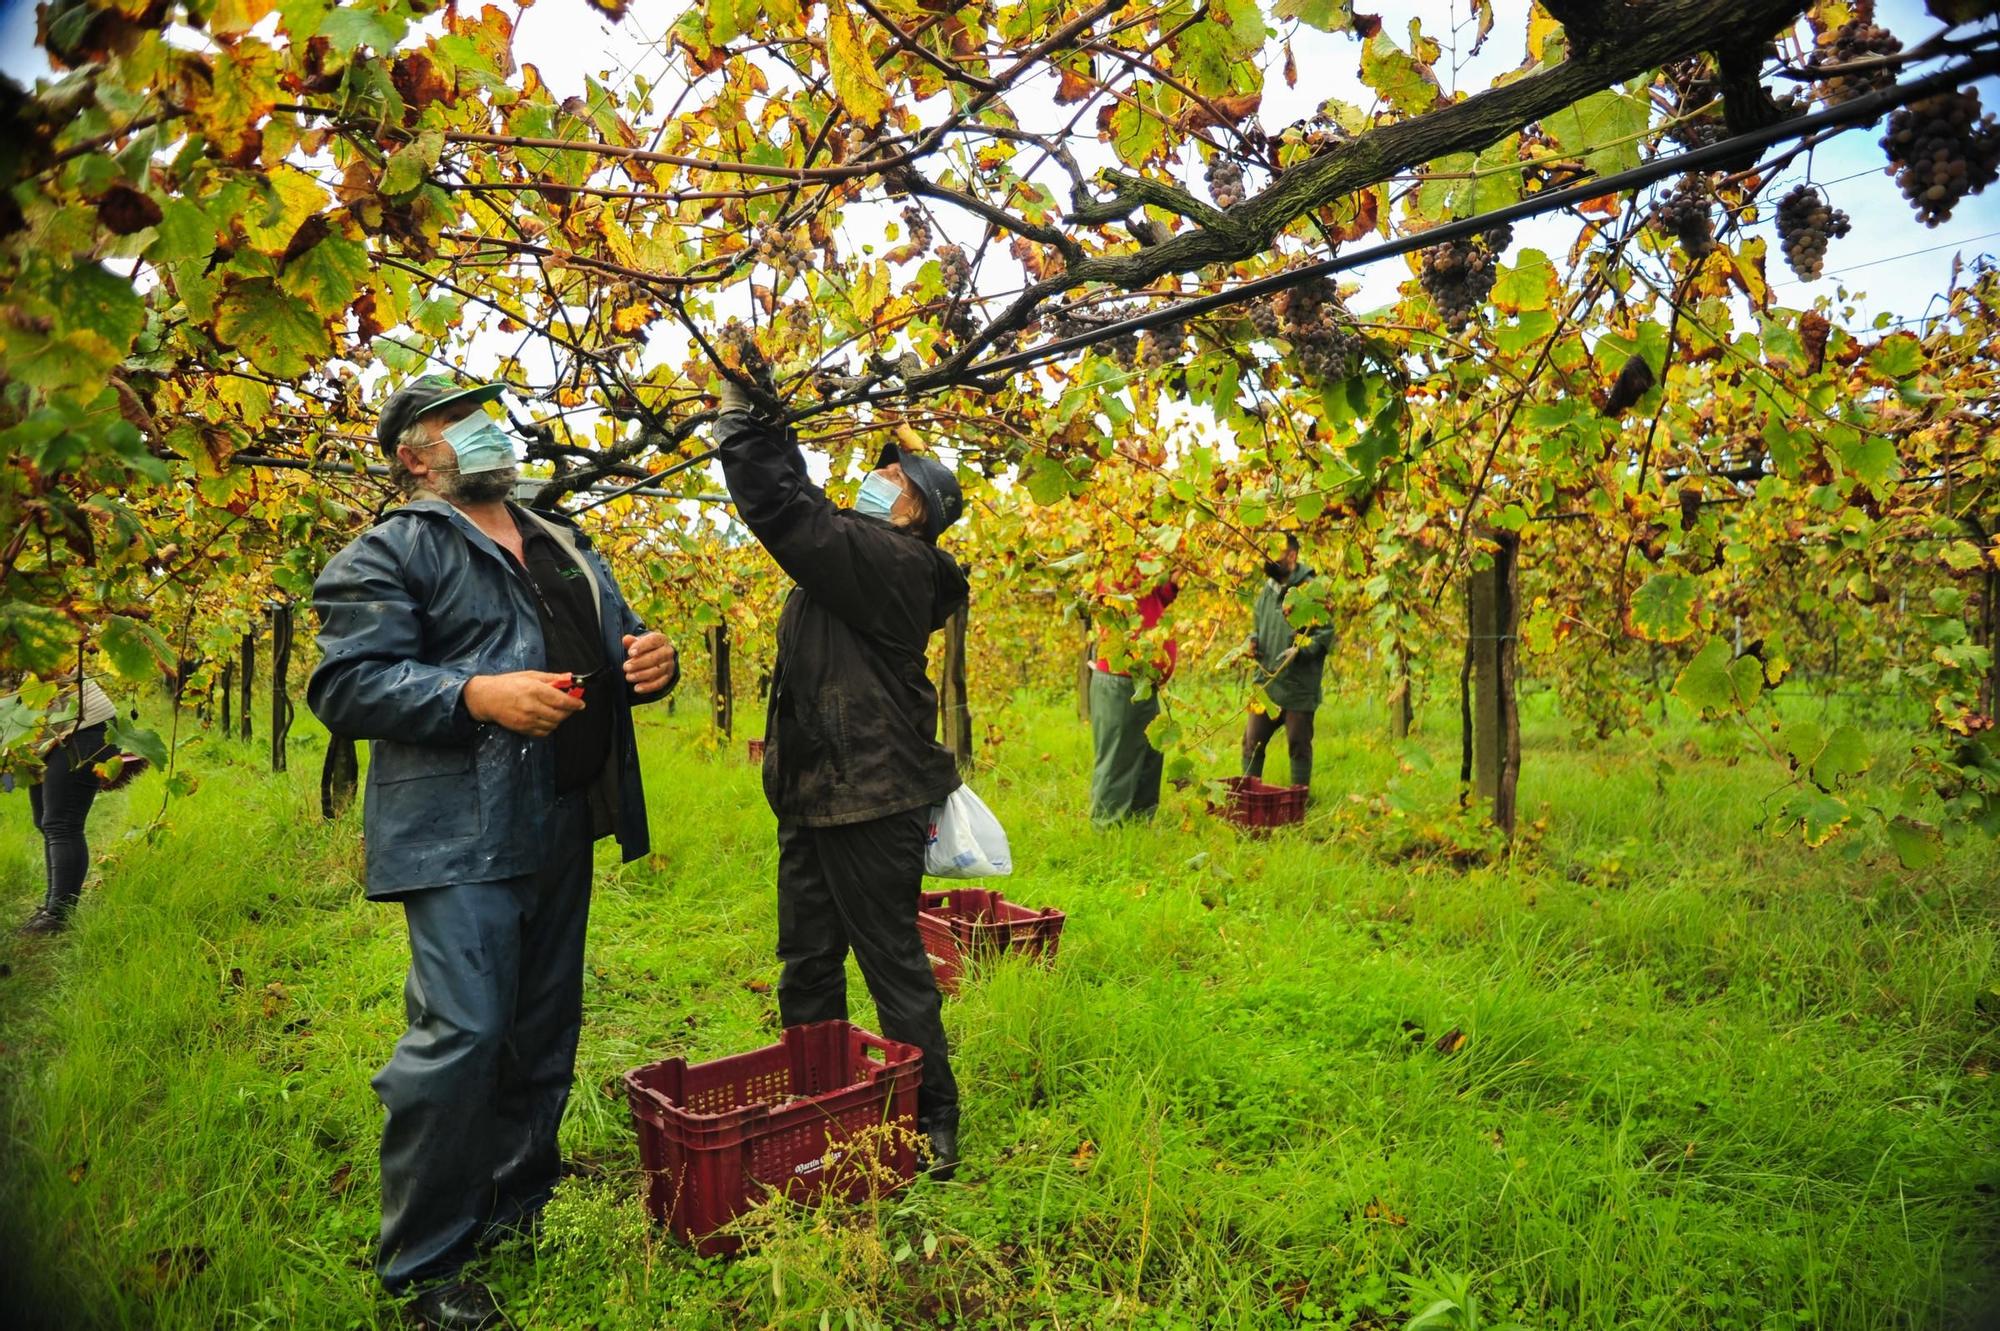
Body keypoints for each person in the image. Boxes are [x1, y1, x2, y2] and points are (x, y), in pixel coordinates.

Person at [307, 375, 679, 1330]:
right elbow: (347, 684)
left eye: (488, 417)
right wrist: (477, 695)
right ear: (414, 456)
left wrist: (649, 660)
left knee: (542, 1027)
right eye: (457, 422)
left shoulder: (561, 538)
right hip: (459, 831)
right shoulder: (393, 550)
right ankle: (425, 1266)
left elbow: (620, 642)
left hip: (561, 814)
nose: (485, 433)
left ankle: (515, 1211)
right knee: (464, 1032)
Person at [712, 379, 968, 1180]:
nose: (876, 475)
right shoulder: (861, 562)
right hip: (816, 794)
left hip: (870, 796)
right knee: (809, 961)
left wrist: (743, 429)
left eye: (892, 475)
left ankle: (932, 1120)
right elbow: (812, 508)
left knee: (890, 958)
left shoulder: (896, 563)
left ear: (913, 511)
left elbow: (792, 516)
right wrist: (775, 424)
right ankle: (822, 1101)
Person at [13, 670, 116, 935]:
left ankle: (58, 915)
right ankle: (52, 905)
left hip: (84, 726)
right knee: (45, 821)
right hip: (47, 735)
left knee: (62, 823)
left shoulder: (12, 640)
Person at [1242, 533, 1334, 792]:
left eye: (1275, 552)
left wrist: (1301, 651)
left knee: (1299, 745)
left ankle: (1298, 801)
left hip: (1298, 686)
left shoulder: (1312, 590)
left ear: (1291, 556)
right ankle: (1248, 796)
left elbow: (1325, 635)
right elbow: (1257, 627)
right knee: (1252, 742)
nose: (1267, 557)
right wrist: (1252, 642)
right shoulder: (1266, 592)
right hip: (1266, 684)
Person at [1088, 573, 1179, 824]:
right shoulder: (1117, 561)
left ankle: (1138, 828)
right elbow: (1123, 588)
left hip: (1143, 682)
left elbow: (1153, 598)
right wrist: (1162, 558)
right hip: (1121, 679)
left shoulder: (1147, 566)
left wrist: (1171, 583)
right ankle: (1106, 830)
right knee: (1118, 761)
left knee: (1148, 759)